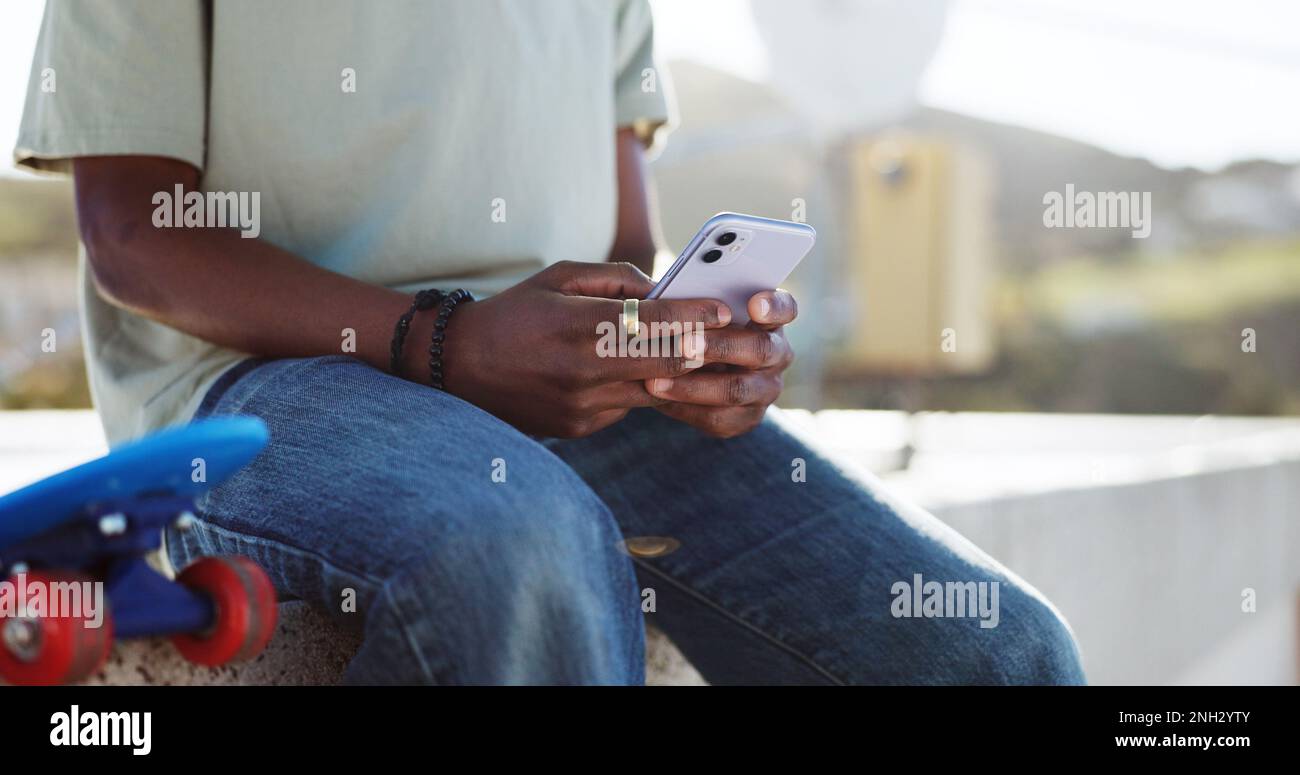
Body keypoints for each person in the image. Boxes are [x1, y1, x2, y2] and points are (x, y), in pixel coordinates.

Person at [16, 0, 1085, 685]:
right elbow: (136, 235)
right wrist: (445, 340)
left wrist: (680, 346)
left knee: (997, 653)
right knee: (517, 544)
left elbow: (624, 239)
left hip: (570, 391)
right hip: (270, 389)